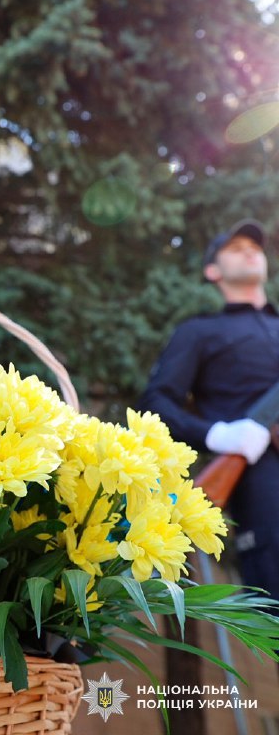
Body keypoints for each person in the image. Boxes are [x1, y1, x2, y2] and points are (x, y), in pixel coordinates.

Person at [140, 219, 279, 604]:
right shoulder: (199, 332)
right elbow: (156, 404)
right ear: (212, 271)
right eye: (235, 247)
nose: (250, 250)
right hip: (264, 481)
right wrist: (219, 434)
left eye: (255, 246)